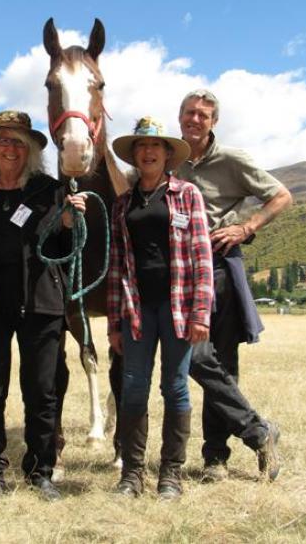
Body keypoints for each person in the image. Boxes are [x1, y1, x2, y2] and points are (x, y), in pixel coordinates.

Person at [0, 110, 86, 503]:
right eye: (3, 140)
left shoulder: (52, 191)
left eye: (19, 141)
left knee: (42, 391)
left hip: (41, 302)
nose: (10, 148)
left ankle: (41, 471)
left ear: (32, 150)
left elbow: (68, 254)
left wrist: (70, 225)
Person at [177, 89, 292, 481]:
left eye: (203, 115)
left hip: (221, 267)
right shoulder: (169, 159)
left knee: (217, 360)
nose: (195, 120)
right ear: (180, 117)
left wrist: (247, 227)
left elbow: (281, 195)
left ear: (214, 122)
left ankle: (215, 459)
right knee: (198, 358)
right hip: (182, 274)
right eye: (189, 113)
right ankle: (259, 430)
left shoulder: (232, 160)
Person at [107, 116, 213, 499]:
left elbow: (202, 256)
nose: (148, 152)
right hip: (137, 309)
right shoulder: (122, 204)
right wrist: (114, 325)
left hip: (179, 308)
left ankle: (171, 473)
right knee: (133, 387)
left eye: (155, 147)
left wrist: (201, 312)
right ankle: (132, 474)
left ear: (168, 155)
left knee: (175, 386)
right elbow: (117, 265)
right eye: (141, 147)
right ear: (134, 156)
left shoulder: (187, 195)